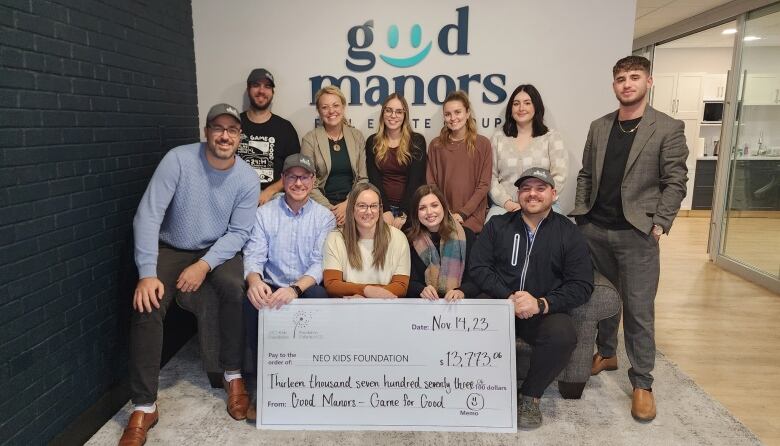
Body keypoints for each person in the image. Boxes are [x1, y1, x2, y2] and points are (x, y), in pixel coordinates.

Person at [121, 103, 259, 445]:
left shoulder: (246, 177)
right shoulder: (178, 160)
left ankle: (232, 374)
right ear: (206, 131)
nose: (224, 135)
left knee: (233, 287)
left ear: (240, 136)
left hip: (217, 247)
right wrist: (147, 272)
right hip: (172, 247)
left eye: (232, 130)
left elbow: (239, 234)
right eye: (218, 128)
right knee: (147, 303)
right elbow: (148, 215)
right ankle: (144, 405)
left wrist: (204, 264)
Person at [570, 55, 689, 422]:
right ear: (614, 85)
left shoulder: (667, 128)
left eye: (634, 77)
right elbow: (586, 174)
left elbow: (675, 182)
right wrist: (581, 213)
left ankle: (642, 383)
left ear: (648, 82)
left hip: (637, 233)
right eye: (621, 78)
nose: (627, 84)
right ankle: (606, 353)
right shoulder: (600, 126)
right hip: (594, 229)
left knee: (638, 310)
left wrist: (660, 222)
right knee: (601, 299)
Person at [470, 168, 593, 429]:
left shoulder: (569, 233)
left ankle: (530, 395)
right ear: (518, 194)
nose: (532, 194)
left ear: (553, 193)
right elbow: (479, 267)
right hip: (500, 305)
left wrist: (540, 303)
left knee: (563, 334)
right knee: (468, 321)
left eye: (540, 188)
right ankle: (478, 388)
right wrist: (508, 297)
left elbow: (582, 284)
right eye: (526, 188)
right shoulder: (498, 225)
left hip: (543, 311)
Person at [242, 153, 336, 420]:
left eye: (304, 177)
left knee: (320, 297)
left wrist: (295, 289)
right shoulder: (264, 214)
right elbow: (254, 255)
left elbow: (320, 263)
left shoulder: (324, 217)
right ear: (282, 179)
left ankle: (313, 383)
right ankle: (265, 389)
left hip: (305, 285)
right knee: (251, 300)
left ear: (313, 181)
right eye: (292, 177)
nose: (298, 183)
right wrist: (254, 281)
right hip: (271, 282)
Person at [488, 84, 568, 220]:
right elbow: (490, 177)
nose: (521, 108)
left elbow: (559, 176)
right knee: (492, 230)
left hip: (544, 206)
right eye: (516, 104)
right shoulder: (498, 138)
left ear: (535, 106)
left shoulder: (551, 137)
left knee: (555, 235)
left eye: (527, 103)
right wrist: (507, 203)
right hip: (505, 207)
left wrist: (539, 202)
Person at [322, 183, 410, 298]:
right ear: (352, 208)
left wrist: (365, 294)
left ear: (380, 209)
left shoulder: (398, 238)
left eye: (374, 206)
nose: (368, 212)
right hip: (349, 307)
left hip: (386, 307)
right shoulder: (335, 238)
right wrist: (365, 290)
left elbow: (401, 286)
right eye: (362, 206)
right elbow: (332, 284)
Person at [426, 90, 492, 233]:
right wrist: (444, 212)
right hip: (443, 217)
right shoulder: (436, 145)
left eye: (457, 112)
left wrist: (463, 213)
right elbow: (432, 184)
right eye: (448, 114)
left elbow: (484, 185)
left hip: (472, 218)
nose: (453, 118)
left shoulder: (482, 144)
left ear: (467, 113)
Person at [301, 85, 367, 226]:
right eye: (325, 107)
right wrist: (331, 210)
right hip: (320, 206)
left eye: (336, 105)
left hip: (353, 203)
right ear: (319, 111)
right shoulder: (310, 139)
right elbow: (307, 181)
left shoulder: (357, 137)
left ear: (343, 107)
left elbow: (363, 179)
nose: (331, 111)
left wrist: (347, 205)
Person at [237, 68, 301, 205]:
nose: (261, 91)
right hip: (237, 197)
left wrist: (269, 191)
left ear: (272, 92)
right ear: (248, 89)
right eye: (256, 85)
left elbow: (295, 171)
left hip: (273, 199)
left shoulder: (285, 128)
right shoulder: (233, 125)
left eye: (267, 86)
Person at [405, 184, 479, 300]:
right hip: (425, 309)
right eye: (422, 208)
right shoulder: (409, 239)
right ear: (416, 213)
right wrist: (420, 289)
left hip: (459, 308)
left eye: (434, 206)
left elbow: (477, 277)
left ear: (443, 207)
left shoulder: (467, 236)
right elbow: (406, 281)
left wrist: (462, 292)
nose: (429, 212)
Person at [365, 93, 427, 229]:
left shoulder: (417, 141)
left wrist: (403, 214)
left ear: (405, 115)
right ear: (383, 113)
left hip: (410, 209)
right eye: (389, 110)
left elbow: (415, 181)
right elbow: (374, 180)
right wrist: (385, 209)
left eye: (399, 111)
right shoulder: (372, 142)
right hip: (380, 208)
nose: (393, 115)